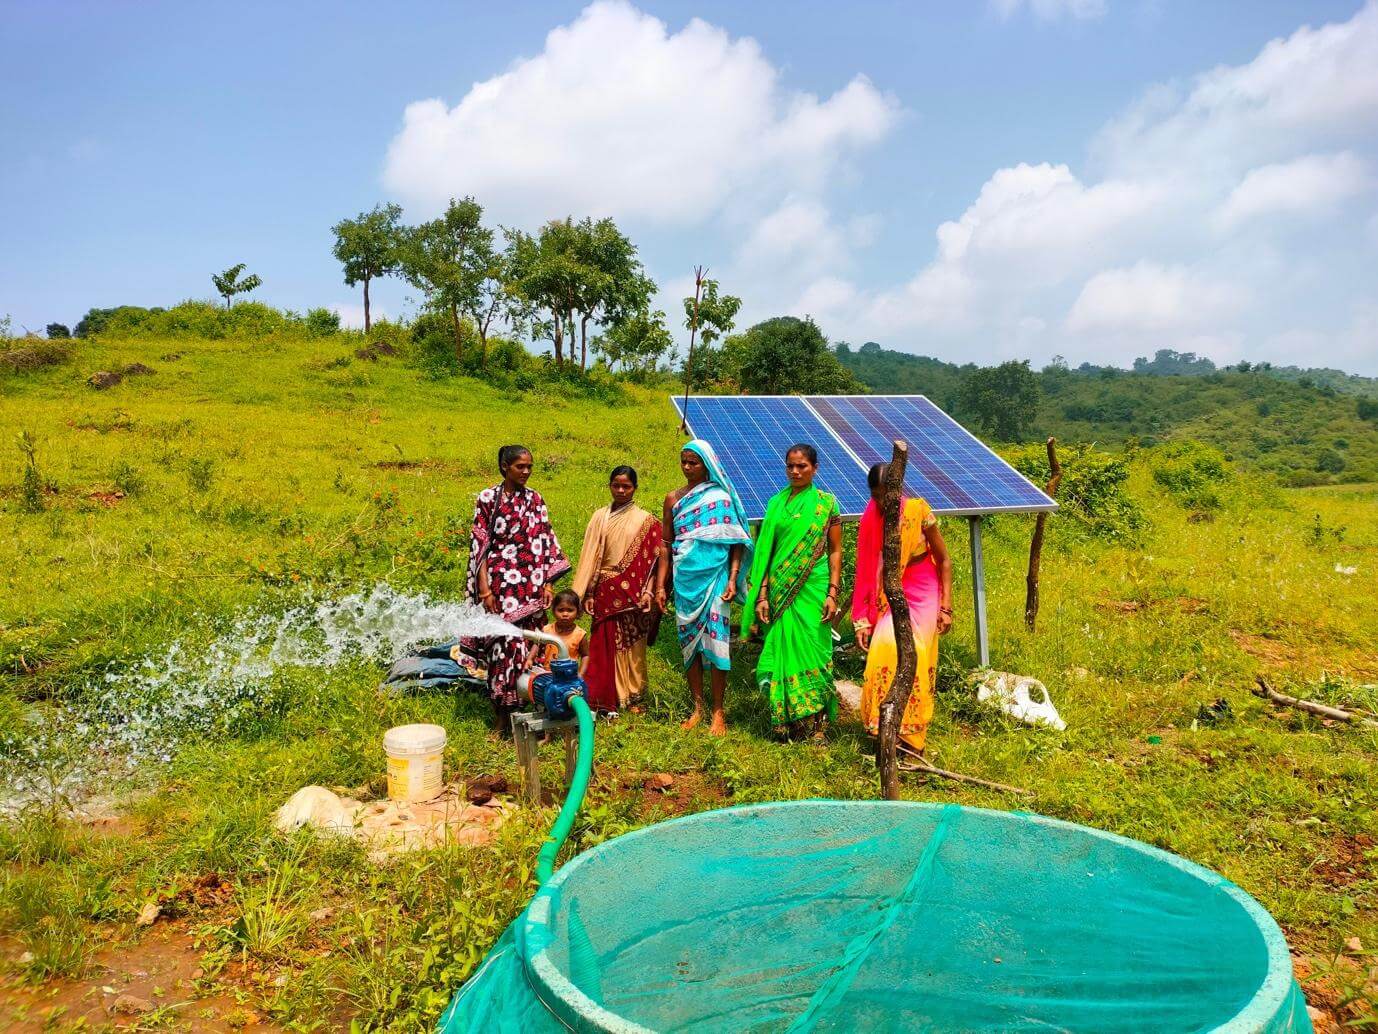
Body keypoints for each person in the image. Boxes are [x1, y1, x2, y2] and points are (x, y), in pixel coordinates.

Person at [851, 462, 954, 756]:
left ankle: (911, 738)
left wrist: (946, 606)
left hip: (923, 590)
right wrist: (862, 619)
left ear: (898, 490)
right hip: (889, 592)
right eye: (876, 496)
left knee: (915, 658)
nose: (883, 502)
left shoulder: (919, 512)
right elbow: (865, 568)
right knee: (882, 654)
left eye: (887, 495)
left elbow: (944, 560)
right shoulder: (872, 518)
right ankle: (884, 729)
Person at [740, 444, 842, 739]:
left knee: (815, 648)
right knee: (783, 649)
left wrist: (833, 593)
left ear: (815, 468)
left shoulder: (826, 504)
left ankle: (817, 726)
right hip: (779, 590)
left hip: (815, 588)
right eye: (790, 466)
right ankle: (787, 722)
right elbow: (766, 554)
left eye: (802, 466)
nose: (795, 472)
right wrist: (761, 595)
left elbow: (835, 551)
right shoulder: (775, 504)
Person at [466, 444, 570, 732]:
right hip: (499, 586)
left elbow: (546, 540)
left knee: (528, 647)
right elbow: (479, 546)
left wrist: (548, 583)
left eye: (529, 467)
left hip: (531, 586)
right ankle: (501, 716)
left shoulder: (535, 499)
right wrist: (484, 590)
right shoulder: (488, 498)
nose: (526, 472)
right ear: (505, 467)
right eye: (520, 467)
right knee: (502, 647)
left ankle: (527, 711)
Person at [655, 440, 752, 736]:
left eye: (693, 462)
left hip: (716, 580)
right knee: (690, 646)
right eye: (683, 461)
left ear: (707, 464)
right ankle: (698, 707)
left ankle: (718, 711)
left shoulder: (720, 497)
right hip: (685, 581)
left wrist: (733, 578)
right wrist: (660, 586)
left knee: (717, 643)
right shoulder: (672, 499)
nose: (687, 467)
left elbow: (735, 540)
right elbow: (666, 545)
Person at [571, 466, 662, 713]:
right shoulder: (599, 517)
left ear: (635, 488)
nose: (621, 490)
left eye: (626, 486)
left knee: (632, 644)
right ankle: (602, 696)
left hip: (636, 593)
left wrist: (649, 592)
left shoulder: (647, 521)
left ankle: (633, 695)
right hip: (604, 590)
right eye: (616, 485)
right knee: (604, 644)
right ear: (610, 486)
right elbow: (590, 557)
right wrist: (587, 593)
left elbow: (655, 562)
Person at [532, 589, 589, 676]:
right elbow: (537, 643)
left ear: (577, 611)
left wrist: (581, 674)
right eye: (561, 610)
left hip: (569, 677)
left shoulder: (579, 635)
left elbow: (585, 656)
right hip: (548, 675)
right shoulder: (547, 630)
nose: (565, 614)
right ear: (554, 611)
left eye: (570, 610)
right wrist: (530, 658)